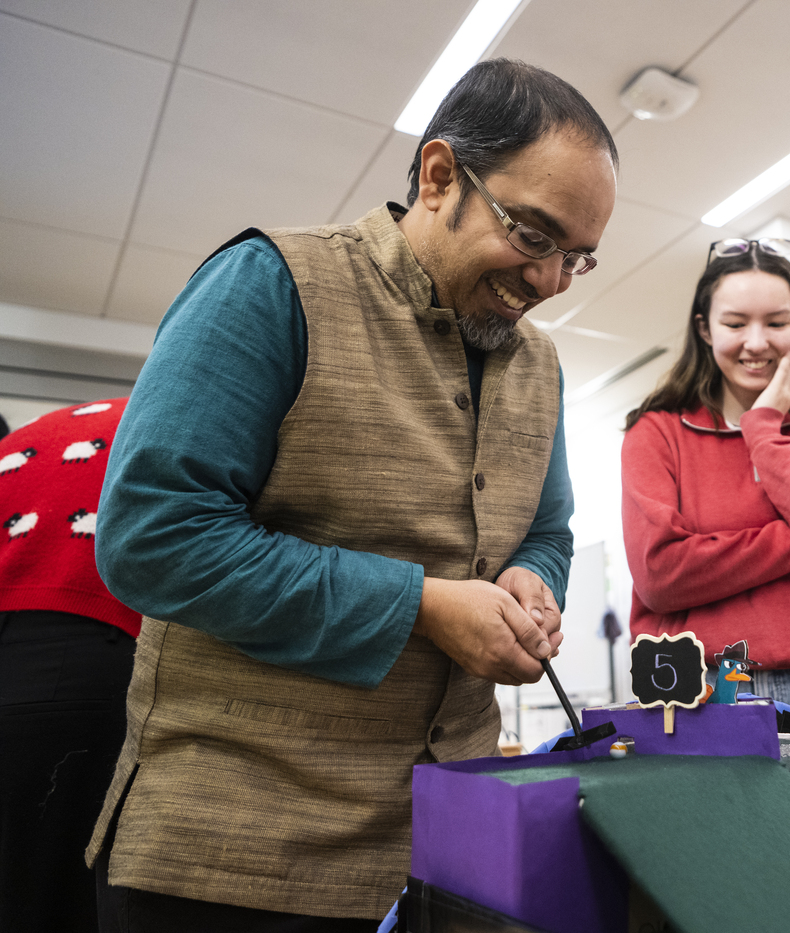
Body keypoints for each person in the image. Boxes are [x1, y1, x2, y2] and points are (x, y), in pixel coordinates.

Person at [86, 60, 618, 930]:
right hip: (232, 857)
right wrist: (422, 604)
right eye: (533, 236)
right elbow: (152, 534)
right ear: (440, 176)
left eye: (579, 258)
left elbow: (548, 529)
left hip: (451, 852)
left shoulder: (542, 367)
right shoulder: (270, 284)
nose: (552, 282)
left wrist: (533, 576)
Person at [621, 238, 790, 736]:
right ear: (704, 328)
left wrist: (764, 427)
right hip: (695, 686)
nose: (757, 341)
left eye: (777, 322)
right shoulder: (656, 432)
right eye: (735, 323)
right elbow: (661, 575)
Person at [0, 399, 137, 933]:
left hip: (33, 629)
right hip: (82, 644)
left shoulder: (41, 428)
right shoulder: (177, 420)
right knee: (57, 896)